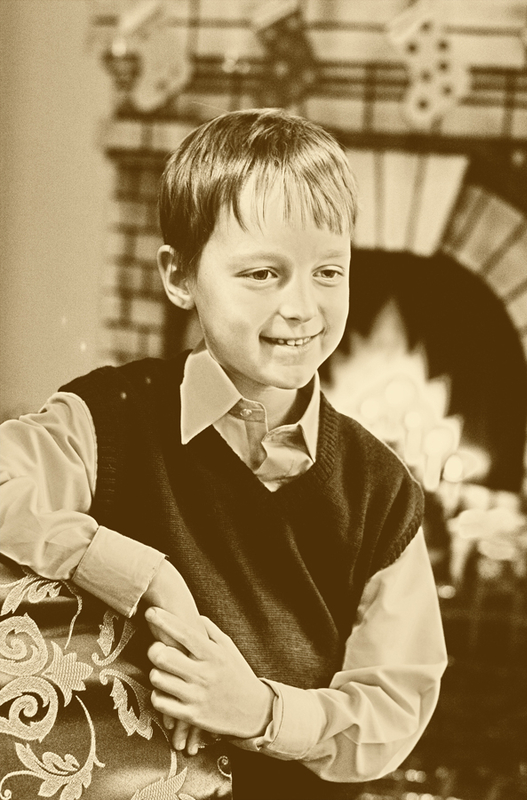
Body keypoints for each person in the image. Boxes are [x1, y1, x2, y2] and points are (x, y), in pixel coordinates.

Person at [0, 108, 447, 800]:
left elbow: (393, 704)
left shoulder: (382, 491)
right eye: (262, 273)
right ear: (179, 276)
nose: (302, 307)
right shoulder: (108, 419)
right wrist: (147, 576)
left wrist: (259, 712)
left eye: (328, 271)